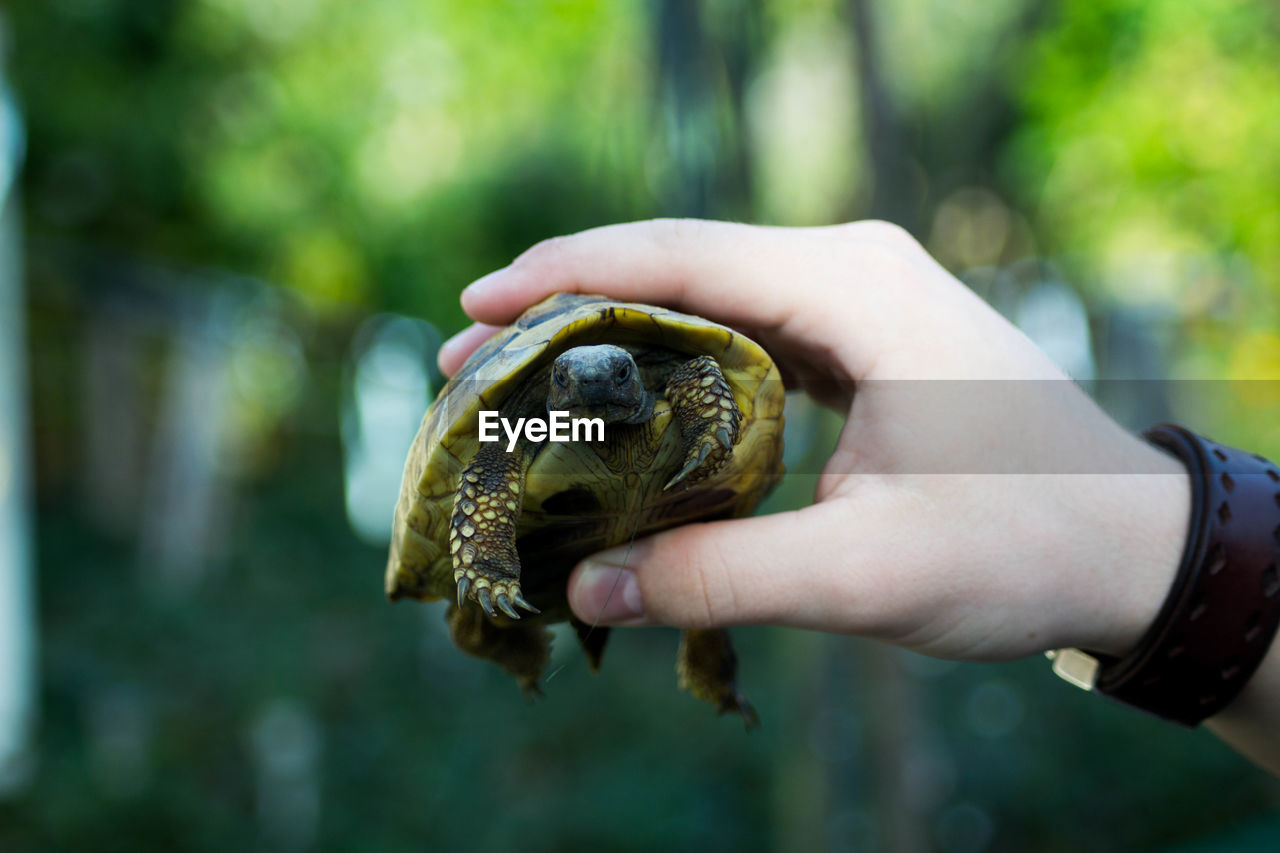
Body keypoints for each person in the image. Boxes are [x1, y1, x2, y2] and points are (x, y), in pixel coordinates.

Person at [435, 218, 1280, 775]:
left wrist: (1146, 554)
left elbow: (697, 393)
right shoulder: (531, 427)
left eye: (616, 370)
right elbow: (489, 457)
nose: (599, 383)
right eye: (577, 380)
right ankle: (501, 629)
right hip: (534, 490)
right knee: (490, 581)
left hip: (642, 490)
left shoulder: (680, 391)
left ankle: (703, 662)